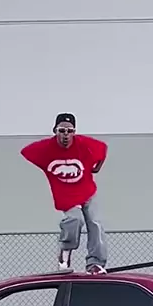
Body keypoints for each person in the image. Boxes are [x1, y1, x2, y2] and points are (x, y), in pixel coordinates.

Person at [21, 113, 108, 273]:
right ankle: (65, 252)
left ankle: (95, 263)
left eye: (70, 131)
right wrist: (45, 167)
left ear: (74, 132)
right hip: (66, 196)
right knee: (75, 220)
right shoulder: (46, 148)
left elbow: (103, 148)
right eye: (62, 131)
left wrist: (97, 167)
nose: (66, 135)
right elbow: (25, 151)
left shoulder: (84, 143)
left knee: (95, 223)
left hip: (87, 191)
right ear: (55, 131)